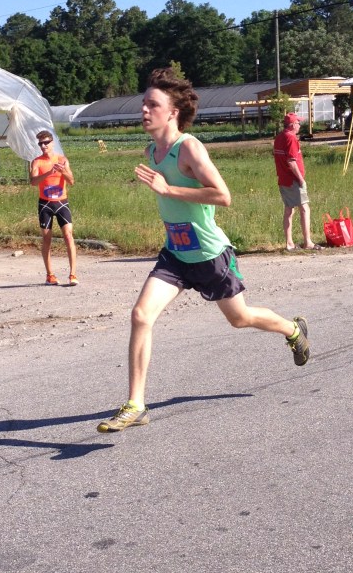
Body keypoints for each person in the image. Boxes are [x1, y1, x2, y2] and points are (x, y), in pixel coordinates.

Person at [97, 68, 309, 433]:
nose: (144, 110)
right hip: (176, 255)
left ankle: (292, 330)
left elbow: (223, 196)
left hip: (210, 255)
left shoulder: (189, 148)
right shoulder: (152, 151)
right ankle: (136, 404)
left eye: (153, 104)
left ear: (173, 112)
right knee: (141, 315)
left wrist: (168, 190)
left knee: (239, 318)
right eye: (144, 103)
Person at [29, 128, 77, 286]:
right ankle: (50, 275)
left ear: (52, 143)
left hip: (62, 203)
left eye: (46, 143)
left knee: (68, 236)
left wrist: (63, 172)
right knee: (46, 239)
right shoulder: (37, 162)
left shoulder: (62, 159)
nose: (43, 146)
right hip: (45, 204)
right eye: (40, 144)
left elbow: (71, 181)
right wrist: (48, 173)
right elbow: (33, 182)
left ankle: (73, 274)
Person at [273, 111, 315, 250]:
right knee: (304, 208)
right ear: (292, 125)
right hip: (293, 180)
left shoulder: (279, 137)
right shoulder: (291, 138)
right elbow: (291, 161)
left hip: (283, 179)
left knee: (289, 210)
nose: (299, 125)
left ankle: (289, 243)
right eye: (298, 123)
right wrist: (301, 179)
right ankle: (307, 242)